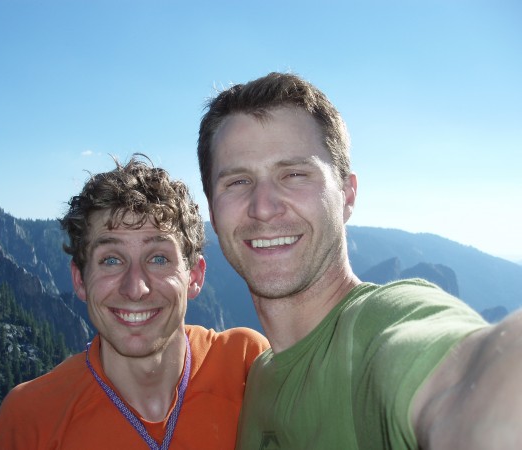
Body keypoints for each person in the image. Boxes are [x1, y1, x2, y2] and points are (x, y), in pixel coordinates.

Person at [197, 72, 522, 449]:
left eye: (294, 174)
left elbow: (469, 379)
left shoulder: (379, 328)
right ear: (213, 212)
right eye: (237, 182)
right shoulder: (258, 380)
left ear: (347, 195)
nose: (264, 207)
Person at [0, 155, 269, 450]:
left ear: (194, 275)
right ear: (80, 280)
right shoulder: (30, 418)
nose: (135, 288)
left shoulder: (247, 365)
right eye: (111, 260)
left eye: (158, 258)